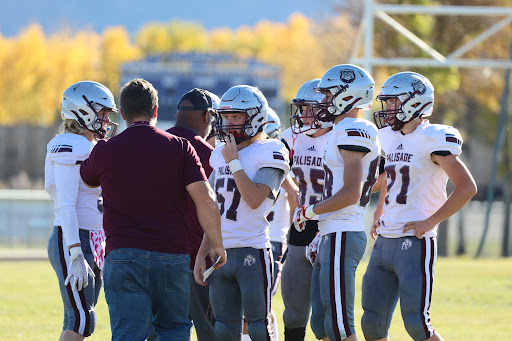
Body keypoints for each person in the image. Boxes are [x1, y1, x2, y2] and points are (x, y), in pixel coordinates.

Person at [79, 78, 226, 341]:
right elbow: (206, 200)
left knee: (128, 334)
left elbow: (87, 177)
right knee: (173, 330)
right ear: (156, 111)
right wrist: (216, 244)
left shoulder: (106, 150)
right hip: (171, 255)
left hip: (123, 253)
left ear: (122, 113)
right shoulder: (181, 147)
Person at [361, 72, 477, 341]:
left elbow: (467, 187)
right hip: (384, 242)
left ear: (413, 103)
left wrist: (431, 221)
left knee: (416, 324)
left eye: (393, 102)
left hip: (415, 241)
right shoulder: (387, 137)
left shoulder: (433, 137)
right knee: (372, 325)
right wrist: (379, 211)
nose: (387, 108)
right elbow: (393, 175)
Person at [193, 85, 290, 341]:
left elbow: (254, 198)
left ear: (256, 117)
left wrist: (234, 161)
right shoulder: (219, 154)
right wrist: (203, 250)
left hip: (253, 250)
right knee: (223, 328)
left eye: (236, 117)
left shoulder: (272, 150)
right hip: (220, 252)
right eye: (225, 117)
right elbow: (214, 209)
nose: (228, 123)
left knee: (258, 326)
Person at [294, 64, 381, 341]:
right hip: (333, 231)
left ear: (347, 96)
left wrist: (309, 212)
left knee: (341, 326)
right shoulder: (342, 129)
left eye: (329, 95)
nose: (323, 102)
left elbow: (351, 193)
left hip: (344, 231)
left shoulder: (353, 128)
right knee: (322, 325)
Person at [46, 80, 118, 340]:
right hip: (75, 238)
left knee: (81, 317)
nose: (106, 120)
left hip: (93, 238)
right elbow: (65, 202)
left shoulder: (88, 146)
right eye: (102, 113)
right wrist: (75, 252)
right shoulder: (69, 144)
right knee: (81, 318)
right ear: (83, 111)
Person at [280, 78, 333, 341]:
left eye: (310, 109)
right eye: (301, 109)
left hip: (330, 225)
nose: (303, 115)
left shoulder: (342, 136)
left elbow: (376, 176)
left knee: (325, 318)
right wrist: (291, 190)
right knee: (292, 311)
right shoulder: (292, 138)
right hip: (301, 225)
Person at [168, 88, 220, 341]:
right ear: (207, 116)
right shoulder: (209, 154)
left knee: (162, 332)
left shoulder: (157, 143)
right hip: (198, 259)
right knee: (209, 332)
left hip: (157, 258)